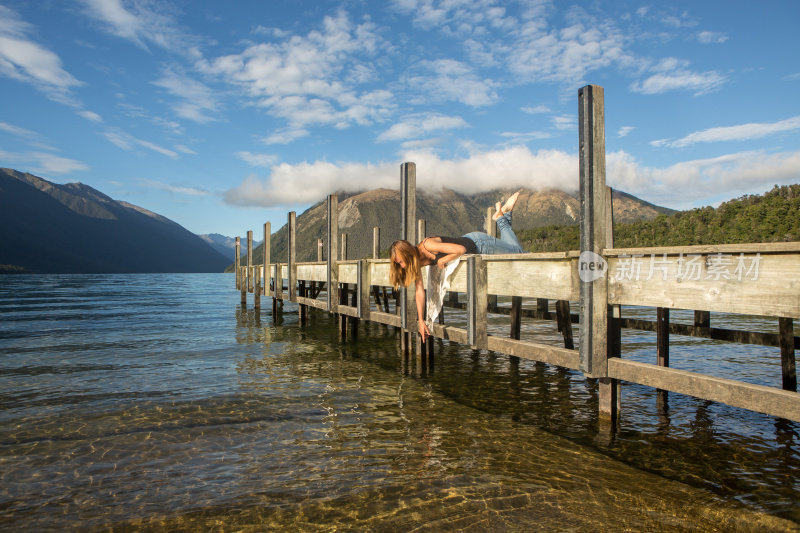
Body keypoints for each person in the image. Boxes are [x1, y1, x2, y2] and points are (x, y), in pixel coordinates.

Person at [389, 191, 524, 342]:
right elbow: (419, 292)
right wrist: (421, 320)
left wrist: (443, 260)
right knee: (513, 248)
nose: (401, 266)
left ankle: (501, 217)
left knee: (518, 253)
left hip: (478, 244)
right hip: (473, 244)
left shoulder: (428, 245)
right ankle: (503, 215)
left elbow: (460, 250)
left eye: (400, 262)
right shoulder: (417, 263)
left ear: (408, 254)